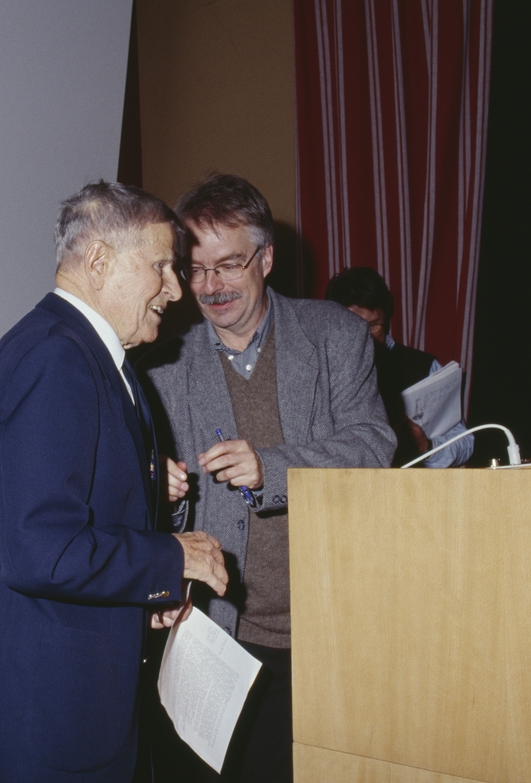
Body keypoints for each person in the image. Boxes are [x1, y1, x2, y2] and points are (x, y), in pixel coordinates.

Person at [0, 181, 229, 783]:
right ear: (100, 261)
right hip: (36, 726)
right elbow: (42, 550)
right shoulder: (57, 360)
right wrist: (171, 557)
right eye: (162, 266)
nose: (176, 289)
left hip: (50, 709)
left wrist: (139, 600)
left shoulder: (73, 350)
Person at [139, 174, 395, 781]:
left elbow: (374, 446)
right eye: (196, 270)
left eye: (229, 265)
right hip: (218, 634)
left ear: (267, 258)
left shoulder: (335, 334)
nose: (210, 287)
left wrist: (270, 468)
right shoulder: (162, 357)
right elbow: (154, 503)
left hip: (329, 628)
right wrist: (159, 486)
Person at [325, 266, 473, 467]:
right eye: (353, 328)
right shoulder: (321, 371)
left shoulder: (424, 367)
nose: (364, 337)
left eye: (373, 326)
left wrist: (426, 447)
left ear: (386, 320)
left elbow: (465, 442)